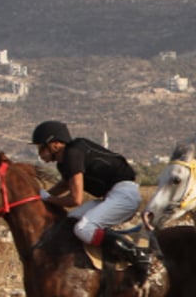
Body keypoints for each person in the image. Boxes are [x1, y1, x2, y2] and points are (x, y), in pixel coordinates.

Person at [31, 120, 151, 282]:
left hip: (124, 194)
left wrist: (48, 198)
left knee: (83, 228)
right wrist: (41, 197)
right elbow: (66, 184)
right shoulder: (65, 161)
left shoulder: (73, 153)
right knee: (70, 221)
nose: (39, 153)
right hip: (112, 195)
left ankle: (137, 256)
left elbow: (75, 198)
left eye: (41, 147)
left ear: (55, 145)